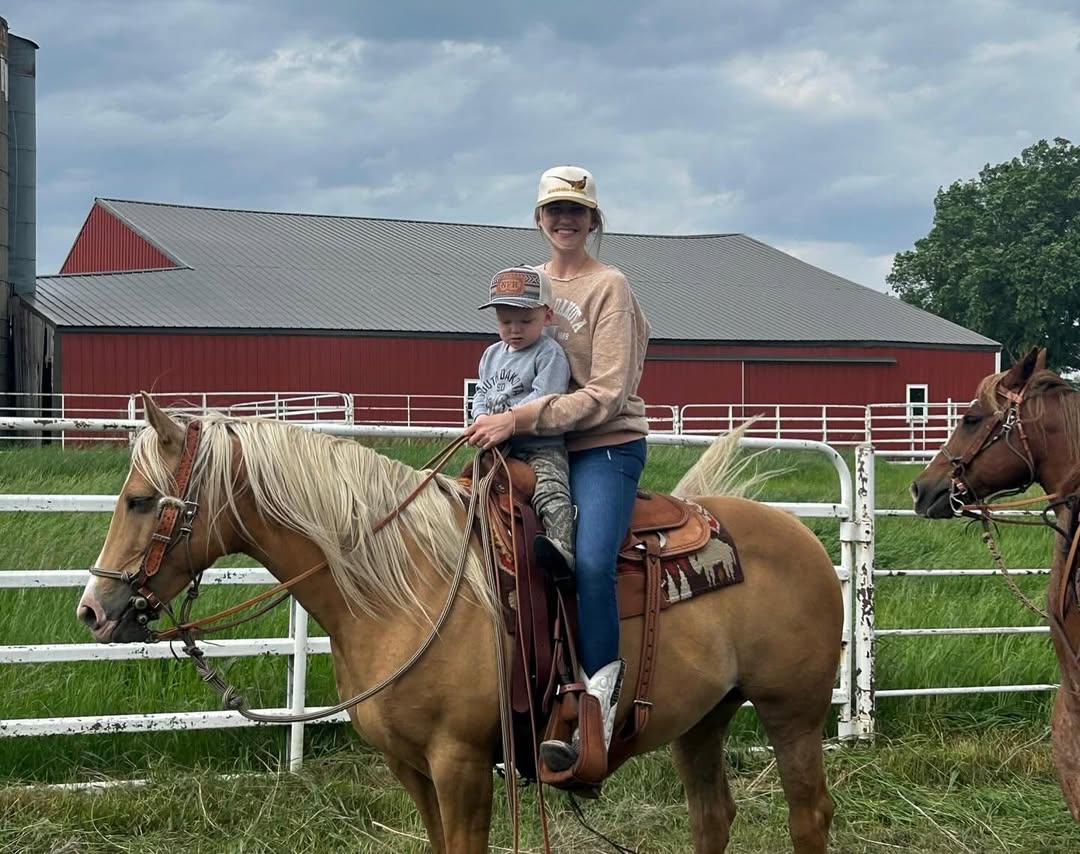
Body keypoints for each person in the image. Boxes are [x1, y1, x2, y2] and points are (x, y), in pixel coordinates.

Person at [464, 165, 650, 775]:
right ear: (539, 219)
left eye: (577, 210)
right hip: (531, 444)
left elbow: (610, 392)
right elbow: (501, 364)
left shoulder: (610, 287)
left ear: (594, 220)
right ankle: (496, 699)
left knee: (591, 561)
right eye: (554, 210)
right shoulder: (525, 284)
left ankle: (600, 701)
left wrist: (517, 420)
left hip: (602, 443)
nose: (565, 220)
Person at [471, 265, 576, 576]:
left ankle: (562, 548)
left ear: (547, 316)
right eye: (505, 322)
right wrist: (479, 418)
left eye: (525, 321)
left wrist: (505, 420)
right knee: (468, 487)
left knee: (550, 488)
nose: (515, 329)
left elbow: (546, 399)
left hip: (539, 446)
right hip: (498, 446)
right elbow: (479, 393)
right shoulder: (491, 355)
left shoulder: (549, 354)